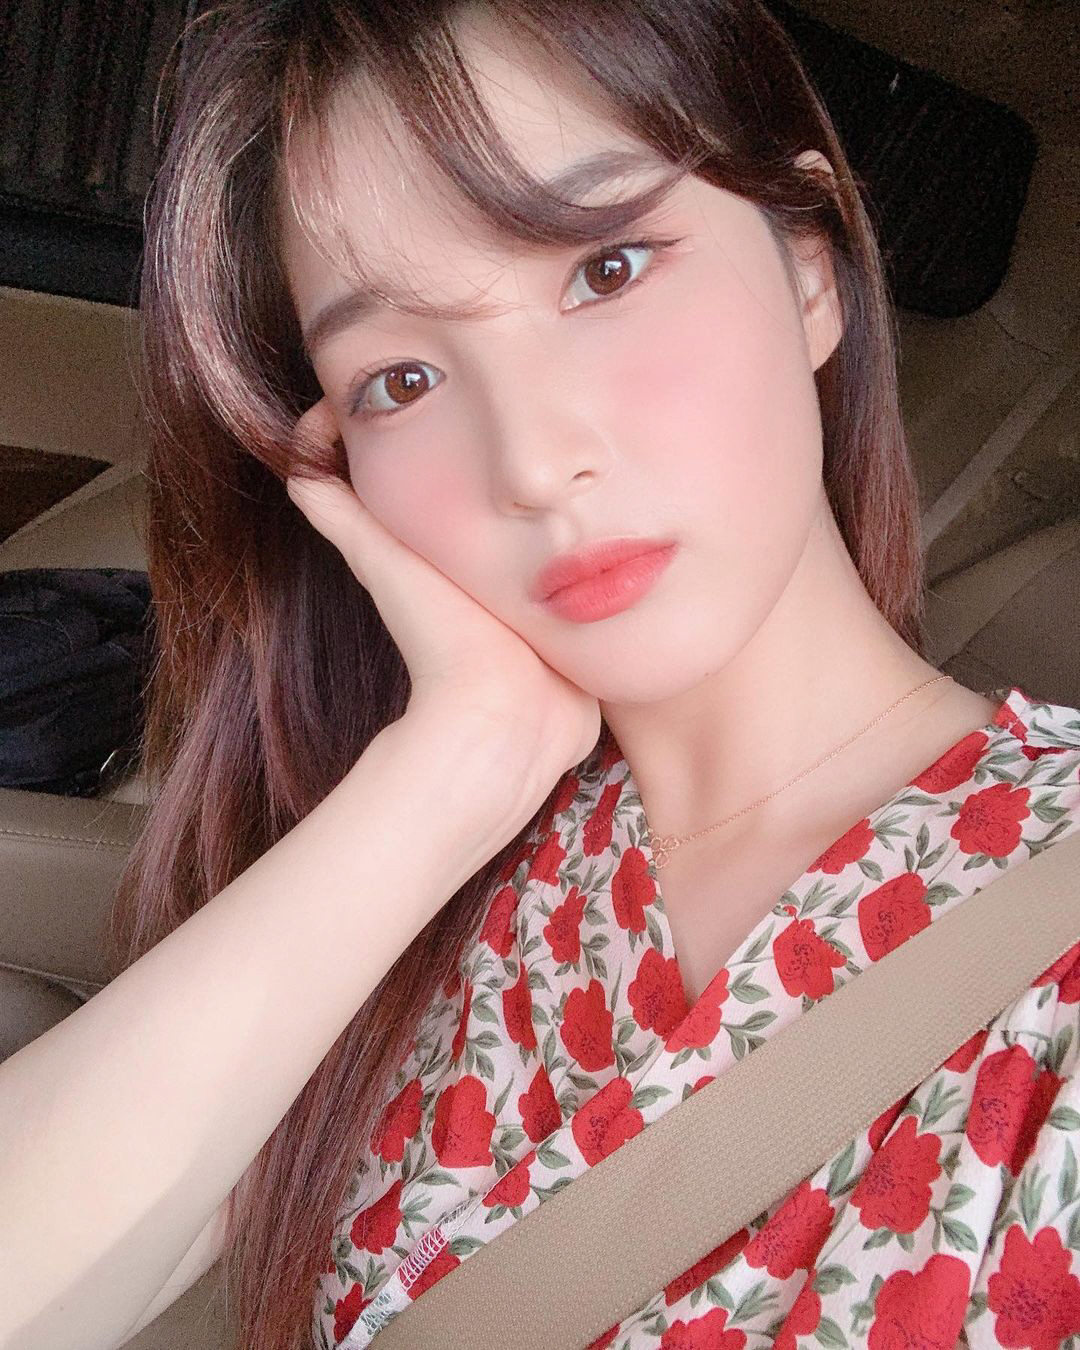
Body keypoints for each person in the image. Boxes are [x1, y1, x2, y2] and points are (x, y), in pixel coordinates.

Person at [1, 2, 1078, 1349]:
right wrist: (464, 759)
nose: (530, 460)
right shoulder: (431, 867)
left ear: (810, 269)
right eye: (401, 379)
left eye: (607, 270)